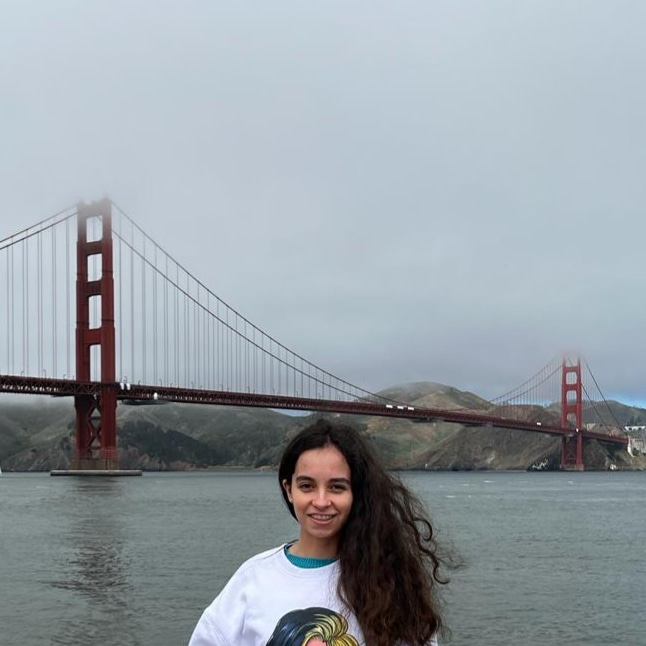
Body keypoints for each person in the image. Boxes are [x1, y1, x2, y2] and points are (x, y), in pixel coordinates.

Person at [188, 418, 450, 646]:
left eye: (336, 487)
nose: (321, 501)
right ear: (289, 490)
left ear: (356, 493)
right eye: (307, 486)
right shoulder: (252, 580)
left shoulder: (391, 582)